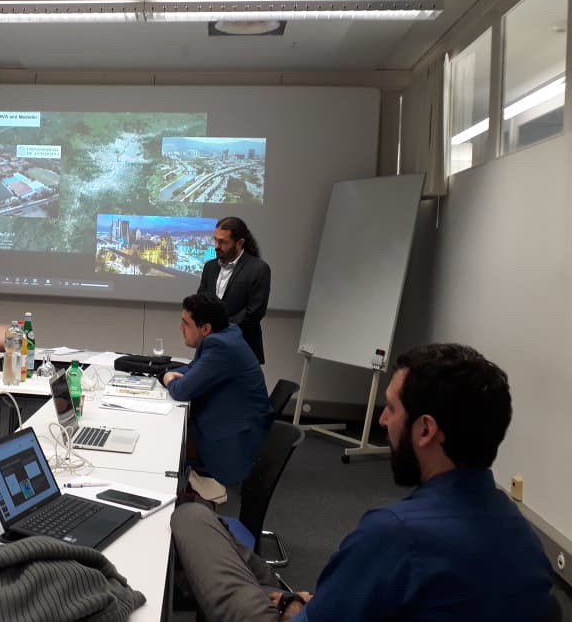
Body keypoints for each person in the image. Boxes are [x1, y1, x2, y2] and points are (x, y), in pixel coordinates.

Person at [171, 343, 553, 621]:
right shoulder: (525, 540)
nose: (383, 421)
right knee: (225, 538)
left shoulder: (396, 535)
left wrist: (295, 609)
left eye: (391, 408)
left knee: (192, 518)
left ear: (425, 430)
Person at [162, 294, 274, 488]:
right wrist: (171, 373)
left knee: (164, 436)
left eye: (186, 324)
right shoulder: (227, 333)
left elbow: (182, 390)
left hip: (232, 440)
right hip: (236, 422)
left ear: (205, 328)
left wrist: (167, 378)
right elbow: (194, 368)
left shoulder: (221, 346)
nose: (181, 329)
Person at [198, 217, 270, 364]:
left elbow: (254, 311)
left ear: (240, 243)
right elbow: (201, 301)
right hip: (211, 347)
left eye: (223, 242)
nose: (217, 246)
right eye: (215, 240)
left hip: (242, 348)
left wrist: (220, 330)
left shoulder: (258, 269)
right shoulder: (210, 267)